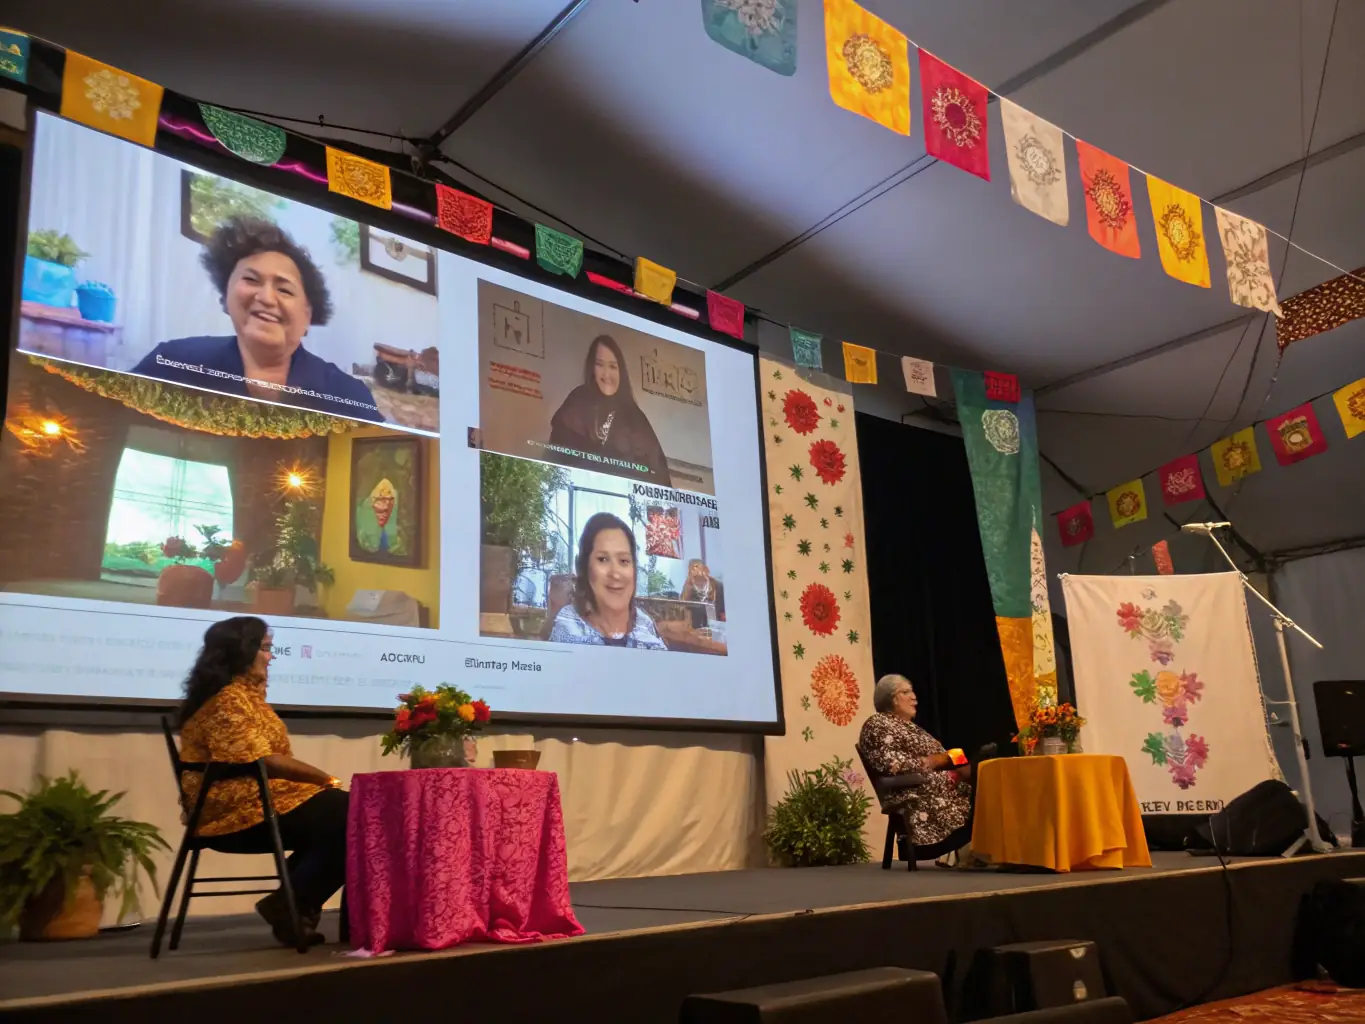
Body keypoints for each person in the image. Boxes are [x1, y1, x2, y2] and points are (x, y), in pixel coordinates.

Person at [176, 616, 348, 946]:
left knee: (353, 817)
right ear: (243, 651)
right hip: (233, 812)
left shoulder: (246, 697)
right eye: (266, 648)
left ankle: (291, 903)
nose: (271, 657)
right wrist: (326, 779)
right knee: (354, 813)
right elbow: (266, 761)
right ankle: (292, 903)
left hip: (260, 800)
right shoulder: (227, 700)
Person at [132, 217, 383, 422]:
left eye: (284, 290)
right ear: (225, 296)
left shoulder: (349, 396)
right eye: (251, 280)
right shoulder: (171, 361)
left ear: (307, 315)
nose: (266, 298)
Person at [859, 674, 977, 865]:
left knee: (986, 762)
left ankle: (974, 850)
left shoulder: (910, 727)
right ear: (891, 699)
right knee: (985, 776)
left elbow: (949, 755)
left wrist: (952, 759)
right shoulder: (878, 725)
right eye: (906, 692)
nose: (914, 696)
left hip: (944, 777)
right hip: (917, 790)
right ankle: (974, 850)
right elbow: (893, 765)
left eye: (912, 691)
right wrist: (939, 763)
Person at [547, 334, 671, 485]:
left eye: (613, 366)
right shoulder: (577, 400)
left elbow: (658, 474)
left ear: (621, 372)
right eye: (600, 364)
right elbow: (555, 459)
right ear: (592, 368)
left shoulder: (636, 418)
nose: (606, 374)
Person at [549, 512, 668, 650]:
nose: (615, 574)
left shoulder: (644, 624)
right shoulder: (569, 624)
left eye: (624, 561)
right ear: (584, 566)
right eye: (603, 559)